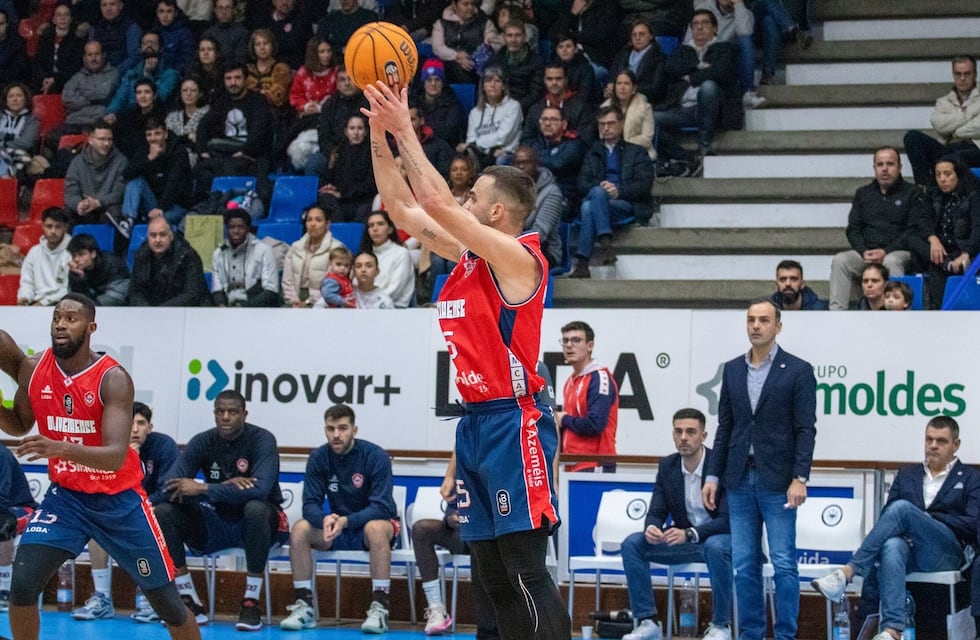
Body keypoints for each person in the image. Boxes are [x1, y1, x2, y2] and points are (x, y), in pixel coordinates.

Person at [363, 78, 570, 639]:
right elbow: (402, 207)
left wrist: (405, 125)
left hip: (515, 422)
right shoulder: (468, 255)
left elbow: (433, 202)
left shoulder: (521, 259)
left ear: (497, 212)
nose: (463, 202)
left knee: (525, 572)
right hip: (475, 423)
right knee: (490, 577)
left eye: (473, 197)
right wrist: (380, 132)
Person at [0, 293, 202, 640]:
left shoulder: (113, 378)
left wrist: (59, 447)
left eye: (71, 318)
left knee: (168, 605)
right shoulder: (34, 369)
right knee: (22, 586)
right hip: (67, 500)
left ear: (91, 327)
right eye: (57, 317)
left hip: (120, 503)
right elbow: (19, 424)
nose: (61, 324)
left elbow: (114, 455)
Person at [702, 297, 816, 640]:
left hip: (779, 481)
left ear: (777, 326)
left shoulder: (798, 370)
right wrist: (713, 475)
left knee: (783, 563)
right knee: (744, 564)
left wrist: (800, 477)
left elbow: (805, 429)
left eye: (764, 320)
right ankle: (750, 633)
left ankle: (785, 635)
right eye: (751, 319)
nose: (756, 325)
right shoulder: (733, 369)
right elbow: (725, 426)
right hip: (738, 478)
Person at [812, 416, 980, 640]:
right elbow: (887, 518)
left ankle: (848, 572)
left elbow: (972, 523)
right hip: (909, 550)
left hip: (946, 553)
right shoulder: (908, 474)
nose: (933, 446)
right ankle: (892, 630)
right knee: (891, 545)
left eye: (941, 441)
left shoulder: (970, 478)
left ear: (955, 445)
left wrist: (927, 519)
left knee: (903, 509)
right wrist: (914, 520)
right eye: (929, 439)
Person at [154, 389, 286, 632]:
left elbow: (260, 490)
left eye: (232, 412)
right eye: (220, 412)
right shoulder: (202, 441)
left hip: (261, 526)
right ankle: (188, 600)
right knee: (163, 512)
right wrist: (222, 486)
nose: (225, 417)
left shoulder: (263, 440)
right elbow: (170, 486)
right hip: (216, 521)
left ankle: (251, 602)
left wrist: (204, 487)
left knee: (255, 508)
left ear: (244, 414)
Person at [278, 403, 397, 633]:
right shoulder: (318, 457)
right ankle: (305, 606)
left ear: (354, 430)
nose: (336, 435)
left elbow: (381, 507)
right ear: (325, 430)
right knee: (301, 529)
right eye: (331, 429)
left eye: (342, 428)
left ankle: (380, 608)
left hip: (371, 528)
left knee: (375, 528)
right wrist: (324, 520)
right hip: (336, 529)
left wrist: (346, 521)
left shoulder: (375, 456)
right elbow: (310, 504)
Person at [621, 408, 733, 640]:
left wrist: (690, 533)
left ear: (703, 436)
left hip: (721, 542)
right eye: (678, 431)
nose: (683, 438)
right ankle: (647, 621)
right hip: (685, 544)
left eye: (690, 432)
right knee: (633, 544)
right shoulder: (668, 466)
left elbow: (727, 520)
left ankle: (721, 625)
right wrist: (652, 527)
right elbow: (656, 511)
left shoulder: (720, 465)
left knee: (715, 546)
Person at [73, 401, 178, 622]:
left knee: (155, 521)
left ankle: (152, 601)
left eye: (141, 423)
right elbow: (102, 487)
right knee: (95, 521)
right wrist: (125, 461)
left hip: (151, 509)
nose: (134, 429)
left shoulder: (164, 446)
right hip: (119, 508)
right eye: (129, 424)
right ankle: (102, 598)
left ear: (150, 427)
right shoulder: (107, 448)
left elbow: (168, 489)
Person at [828, 147, 925, 310]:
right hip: (867, 254)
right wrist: (863, 251)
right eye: (880, 164)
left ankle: (895, 312)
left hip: (899, 252)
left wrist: (886, 251)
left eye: (890, 164)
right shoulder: (863, 193)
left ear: (899, 167)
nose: (884, 169)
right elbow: (853, 229)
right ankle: (837, 315)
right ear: (874, 168)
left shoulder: (913, 193)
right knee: (841, 260)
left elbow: (912, 231)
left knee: (891, 261)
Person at [570, 106, 655, 278]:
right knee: (594, 197)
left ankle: (583, 262)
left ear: (621, 124)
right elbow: (582, 183)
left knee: (588, 206)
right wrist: (601, 187)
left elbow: (644, 184)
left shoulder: (637, 152)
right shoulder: (592, 152)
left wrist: (619, 191)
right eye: (602, 124)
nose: (606, 128)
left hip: (624, 203)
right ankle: (605, 243)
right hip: (600, 201)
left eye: (610, 123)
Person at [655, 9, 743, 161]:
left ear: (715, 28)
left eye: (705, 23)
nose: (699, 27)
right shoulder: (683, 50)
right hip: (681, 109)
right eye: (695, 24)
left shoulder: (726, 48)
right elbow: (670, 68)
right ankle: (681, 155)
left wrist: (690, 77)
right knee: (646, 118)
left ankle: (705, 142)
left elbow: (722, 72)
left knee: (708, 87)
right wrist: (700, 66)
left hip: (712, 110)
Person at [192, 64, 273, 204]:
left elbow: (260, 130)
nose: (233, 82)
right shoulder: (221, 100)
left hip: (251, 153)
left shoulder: (258, 100)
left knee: (232, 167)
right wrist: (201, 150)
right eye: (228, 79)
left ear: (245, 79)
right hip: (225, 152)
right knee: (202, 170)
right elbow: (204, 124)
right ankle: (206, 208)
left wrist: (245, 150)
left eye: (237, 78)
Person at [909, 155, 980, 309]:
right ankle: (947, 264)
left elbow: (977, 228)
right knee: (912, 238)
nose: (942, 179)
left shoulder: (974, 195)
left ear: (958, 174)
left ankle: (948, 265)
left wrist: (966, 253)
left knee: (936, 267)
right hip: (940, 251)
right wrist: (933, 239)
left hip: (964, 248)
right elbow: (923, 220)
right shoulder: (932, 194)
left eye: (947, 174)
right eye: (938, 175)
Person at [555, 320, 617, 472]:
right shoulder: (570, 381)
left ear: (590, 346)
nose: (569, 345)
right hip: (572, 465)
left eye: (576, 340)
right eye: (565, 341)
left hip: (595, 464)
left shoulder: (599, 377)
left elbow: (595, 424)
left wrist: (563, 419)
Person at [686, 0, 764, 109]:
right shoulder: (704, 8)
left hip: (728, 62)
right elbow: (688, 41)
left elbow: (745, 32)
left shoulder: (745, 13)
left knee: (745, 41)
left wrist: (738, 5)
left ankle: (747, 93)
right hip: (706, 55)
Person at [120, 116, 192, 232]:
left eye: (157, 133)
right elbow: (126, 174)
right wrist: (149, 158)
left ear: (166, 134)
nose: (153, 138)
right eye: (149, 135)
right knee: (135, 181)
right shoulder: (144, 150)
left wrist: (161, 208)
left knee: (161, 222)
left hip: (176, 205)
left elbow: (174, 184)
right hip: (153, 203)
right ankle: (128, 220)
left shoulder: (179, 152)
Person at [128, 216, 208, 306]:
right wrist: (147, 309)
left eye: (162, 235)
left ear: (171, 236)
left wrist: (162, 310)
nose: (158, 240)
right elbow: (134, 291)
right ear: (148, 237)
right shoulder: (141, 254)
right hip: (152, 310)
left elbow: (192, 294)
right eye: (153, 235)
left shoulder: (188, 255)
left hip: (187, 311)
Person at [63, 119, 128, 225]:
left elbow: (118, 194)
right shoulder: (77, 162)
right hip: (85, 207)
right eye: (102, 139)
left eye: (109, 139)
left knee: (115, 211)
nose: (106, 143)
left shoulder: (121, 161)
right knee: (67, 212)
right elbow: (70, 193)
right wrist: (79, 204)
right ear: (90, 140)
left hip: (107, 206)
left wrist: (98, 203)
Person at [210, 209, 280, 307]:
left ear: (248, 229)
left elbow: (271, 290)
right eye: (231, 227)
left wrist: (242, 308)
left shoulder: (263, 250)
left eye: (241, 227)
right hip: (228, 308)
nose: (236, 231)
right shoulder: (219, 253)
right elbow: (217, 288)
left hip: (257, 307)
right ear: (226, 229)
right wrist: (222, 308)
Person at [458, 66, 523, 170]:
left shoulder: (513, 106)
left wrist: (477, 144)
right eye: (488, 81)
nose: (492, 85)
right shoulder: (475, 112)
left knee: (500, 160)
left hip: (505, 153)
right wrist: (475, 147)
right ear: (483, 86)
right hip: (480, 154)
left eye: (497, 81)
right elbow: (471, 139)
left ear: (503, 86)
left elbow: (503, 137)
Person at [306, 66, 368, 175]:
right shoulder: (329, 105)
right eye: (342, 80)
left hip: (364, 151)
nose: (347, 83)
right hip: (336, 151)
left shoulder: (369, 103)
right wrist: (333, 152)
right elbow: (323, 136)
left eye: (350, 79)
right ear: (337, 84)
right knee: (314, 163)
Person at [315, 114, 377, 222]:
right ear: (346, 131)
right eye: (352, 128)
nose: (356, 132)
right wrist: (329, 187)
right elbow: (329, 176)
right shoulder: (339, 151)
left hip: (361, 202)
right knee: (324, 199)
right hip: (340, 201)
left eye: (360, 128)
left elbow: (370, 185)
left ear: (366, 131)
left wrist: (342, 194)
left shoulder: (372, 153)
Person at [105, 31, 179, 120]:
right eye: (145, 43)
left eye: (153, 43)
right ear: (140, 49)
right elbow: (120, 98)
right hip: (132, 118)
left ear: (161, 48)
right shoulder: (131, 74)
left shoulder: (170, 74)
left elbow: (160, 98)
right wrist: (111, 112)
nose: (149, 45)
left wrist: (147, 74)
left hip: (157, 118)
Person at [282, 205, 345, 307]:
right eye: (309, 220)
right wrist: (293, 300)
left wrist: (308, 303)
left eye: (318, 220)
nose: (313, 224)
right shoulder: (295, 247)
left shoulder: (336, 248)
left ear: (327, 224)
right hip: (295, 299)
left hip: (323, 302)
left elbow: (333, 285)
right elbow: (287, 280)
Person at [512, 146, 564, 270]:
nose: (521, 167)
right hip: (514, 245)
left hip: (544, 251)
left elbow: (539, 235)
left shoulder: (552, 192)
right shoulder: (509, 190)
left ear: (536, 165)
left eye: (526, 163)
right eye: (518, 163)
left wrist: (507, 243)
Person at [0, 443, 37, 613]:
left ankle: (5, 588)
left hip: (21, 509)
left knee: (2, 522)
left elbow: (2, 498)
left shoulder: (1, 454)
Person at [525, 105, 586, 209]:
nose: (548, 123)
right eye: (544, 119)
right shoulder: (534, 143)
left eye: (553, 119)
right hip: (535, 193)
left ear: (564, 124)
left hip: (563, 196)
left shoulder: (574, 144)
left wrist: (532, 160)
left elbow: (557, 164)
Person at [520, 62, 595, 146]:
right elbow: (526, 140)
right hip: (539, 152)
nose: (554, 83)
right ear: (544, 81)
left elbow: (585, 140)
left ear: (565, 80)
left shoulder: (581, 108)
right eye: (549, 79)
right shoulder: (535, 109)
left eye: (558, 79)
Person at [57, 41, 120, 139]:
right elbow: (67, 98)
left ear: (103, 56)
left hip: (100, 120)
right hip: (75, 121)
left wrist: (81, 95)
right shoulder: (77, 77)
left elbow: (105, 94)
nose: (93, 58)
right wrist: (89, 101)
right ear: (84, 58)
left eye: (97, 54)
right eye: (90, 55)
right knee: (51, 139)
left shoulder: (114, 74)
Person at [431, 0, 499, 85]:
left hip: (476, 65)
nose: (470, 7)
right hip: (448, 64)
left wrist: (471, 59)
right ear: (454, 5)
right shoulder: (441, 23)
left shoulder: (484, 22)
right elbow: (437, 47)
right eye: (465, 4)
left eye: (472, 4)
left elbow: (492, 42)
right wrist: (456, 55)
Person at [487, 19, 544, 114]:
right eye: (509, 35)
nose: (513, 40)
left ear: (524, 37)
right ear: (504, 38)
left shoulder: (536, 62)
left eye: (517, 35)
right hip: (497, 108)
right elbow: (486, 86)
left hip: (524, 110)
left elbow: (535, 95)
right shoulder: (495, 59)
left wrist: (513, 107)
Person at [359, 210, 415, 308]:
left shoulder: (401, 253)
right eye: (371, 225)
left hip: (394, 309)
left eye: (380, 224)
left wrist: (370, 306)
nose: (375, 229)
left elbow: (395, 290)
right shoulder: (364, 256)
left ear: (390, 229)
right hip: (364, 308)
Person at [17, 207, 71, 306]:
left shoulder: (72, 252)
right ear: (42, 226)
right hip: (35, 303)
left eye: (58, 227)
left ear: (66, 228)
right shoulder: (34, 252)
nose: (53, 231)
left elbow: (68, 288)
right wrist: (25, 297)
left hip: (63, 304)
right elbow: (26, 282)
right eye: (49, 226)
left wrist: (43, 303)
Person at [606, 20, 666, 107]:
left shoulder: (659, 57)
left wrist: (629, 90)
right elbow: (612, 76)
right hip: (618, 97)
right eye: (634, 35)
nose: (637, 38)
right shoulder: (623, 54)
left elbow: (656, 88)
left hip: (643, 99)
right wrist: (610, 87)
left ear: (650, 36)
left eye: (642, 34)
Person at [601, 69, 656, 160]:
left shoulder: (645, 108)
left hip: (638, 153)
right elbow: (602, 136)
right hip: (610, 153)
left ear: (634, 88)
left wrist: (623, 144)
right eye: (619, 83)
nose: (622, 87)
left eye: (626, 84)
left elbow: (647, 139)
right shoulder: (605, 107)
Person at [110, 77, 169, 160]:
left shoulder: (162, 116)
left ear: (154, 96)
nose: (143, 96)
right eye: (139, 92)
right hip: (122, 157)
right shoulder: (128, 113)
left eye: (147, 92)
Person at [33, 2, 85, 95]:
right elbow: (38, 62)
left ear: (71, 19)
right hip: (44, 79)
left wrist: (55, 79)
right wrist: (44, 78)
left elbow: (76, 66)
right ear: (54, 20)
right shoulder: (45, 37)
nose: (62, 18)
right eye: (59, 15)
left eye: (66, 15)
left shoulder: (78, 39)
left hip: (68, 80)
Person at [412, 59, 466, 147]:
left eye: (437, 80)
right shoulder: (414, 102)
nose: (433, 84)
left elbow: (449, 133)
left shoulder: (452, 103)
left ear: (442, 83)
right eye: (429, 80)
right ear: (423, 83)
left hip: (443, 148)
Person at [66, 233, 130, 306]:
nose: (76, 259)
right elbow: (74, 298)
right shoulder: (76, 270)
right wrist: (80, 279)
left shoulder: (114, 264)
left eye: (81, 254)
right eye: (73, 255)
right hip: (91, 306)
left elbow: (116, 297)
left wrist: (89, 305)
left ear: (93, 254)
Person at [288, 37, 338, 120]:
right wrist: (306, 106)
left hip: (330, 116)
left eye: (329, 51)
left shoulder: (336, 72)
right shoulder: (303, 72)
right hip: (306, 116)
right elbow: (295, 95)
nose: (326, 55)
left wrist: (321, 108)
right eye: (322, 52)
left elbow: (338, 96)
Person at [252, 0, 311, 70]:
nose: (284, 2)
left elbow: (308, 51)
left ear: (294, 1)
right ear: (274, 2)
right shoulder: (263, 21)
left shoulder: (302, 21)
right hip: (267, 69)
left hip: (295, 69)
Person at [87, 0, 142, 74]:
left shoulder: (131, 27)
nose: (108, 8)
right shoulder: (94, 30)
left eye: (112, 4)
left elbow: (134, 57)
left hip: (123, 73)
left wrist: (114, 72)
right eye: (104, 5)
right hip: (97, 73)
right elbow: (90, 56)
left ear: (121, 6)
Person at [0, 83, 40, 179]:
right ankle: (6, 177)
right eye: (11, 96)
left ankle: (6, 177)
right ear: (6, 101)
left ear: (25, 99)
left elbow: (26, 143)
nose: (15, 99)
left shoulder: (32, 119)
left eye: (19, 95)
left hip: (21, 154)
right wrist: (13, 137)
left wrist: (3, 143)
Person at [165, 77, 209, 161]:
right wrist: (188, 137)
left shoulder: (208, 114)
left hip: (198, 159)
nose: (188, 94)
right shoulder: (172, 117)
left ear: (200, 93)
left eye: (193, 90)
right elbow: (167, 139)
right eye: (184, 90)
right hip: (171, 157)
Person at [153, 0, 193, 73]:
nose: (165, 15)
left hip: (174, 75)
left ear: (175, 13)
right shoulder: (153, 32)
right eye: (161, 11)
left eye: (169, 11)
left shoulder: (185, 34)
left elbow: (186, 61)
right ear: (157, 13)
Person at [201, 0, 246, 66]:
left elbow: (240, 60)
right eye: (220, 8)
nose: (224, 12)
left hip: (233, 70)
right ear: (215, 10)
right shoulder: (207, 34)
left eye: (228, 8)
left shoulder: (242, 32)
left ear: (233, 10)